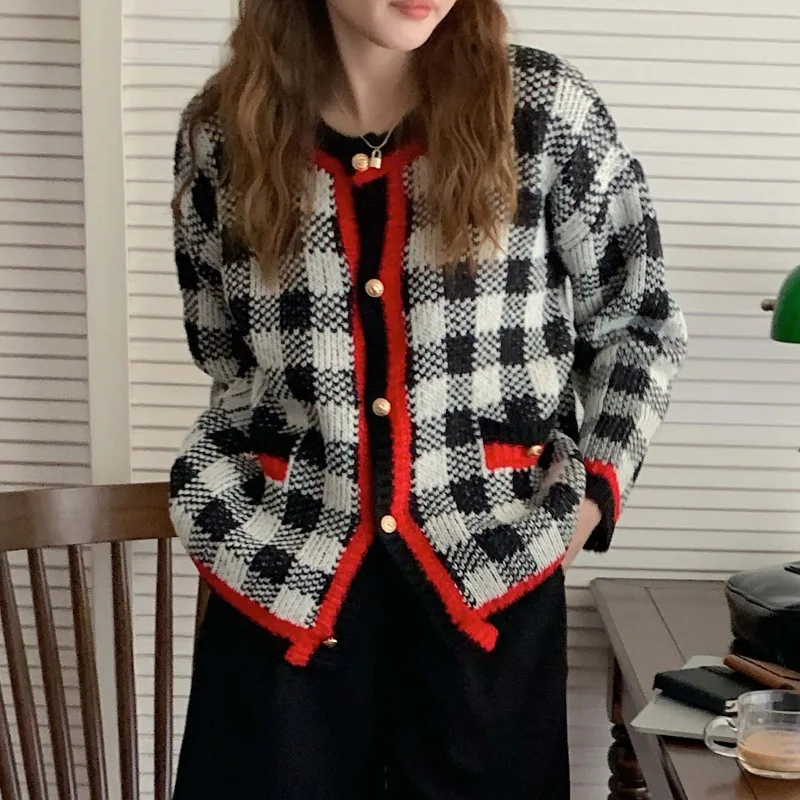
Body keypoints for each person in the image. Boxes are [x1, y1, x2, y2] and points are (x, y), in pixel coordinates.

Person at [168, 1, 688, 797]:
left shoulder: (542, 113)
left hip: (488, 596)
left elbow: (638, 322)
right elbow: (227, 359)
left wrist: (590, 499)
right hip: (281, 593)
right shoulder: (223, 133)